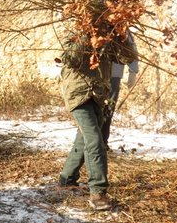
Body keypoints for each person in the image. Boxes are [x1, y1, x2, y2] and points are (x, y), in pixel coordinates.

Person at [57, 16, 137, 211]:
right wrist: (87, 35)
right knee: (94, 139)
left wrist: (121, 35)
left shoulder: (109, 39)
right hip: (78, 94)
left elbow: (125, 58)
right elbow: (70, 59)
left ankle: (67, 178)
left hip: (99, 94)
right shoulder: (75, 34)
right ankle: (98, 192)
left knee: (85, 138)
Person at [100, 32, 139, 148]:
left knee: (108, 109)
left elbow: (130, 48)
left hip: (113, 76)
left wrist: (133, 71)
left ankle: (103, 142)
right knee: (93, 109)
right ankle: (91, 142)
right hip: (96, 74)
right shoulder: (95, 24)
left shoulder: (121, 28)